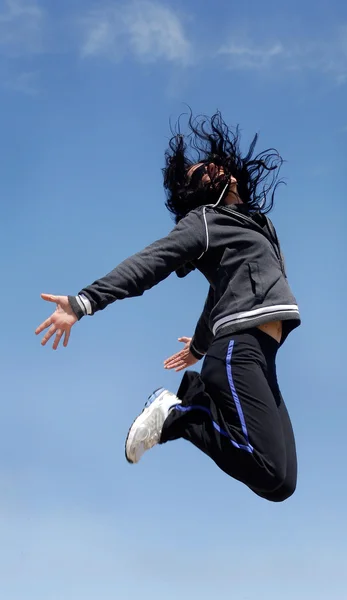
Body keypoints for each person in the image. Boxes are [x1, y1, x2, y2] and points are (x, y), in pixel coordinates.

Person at [35, 111, 301, 502]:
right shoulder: (204, 222)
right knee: (266, 467)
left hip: (264, 354)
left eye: (210, 165)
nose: (209, 170)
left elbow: (223, 292)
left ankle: (191, 400)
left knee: (282, 483)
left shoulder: (260, 225)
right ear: (199, 192)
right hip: (237, 351)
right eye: (198, 176)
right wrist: (83, 302)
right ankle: (179, 413)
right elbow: (150, 262)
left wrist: (196, 345)